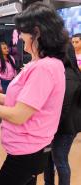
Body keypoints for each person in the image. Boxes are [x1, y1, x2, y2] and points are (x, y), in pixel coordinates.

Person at [0, 2, 69, 185]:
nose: (20, 37)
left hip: (26, 152)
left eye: (22, 32)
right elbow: (20, 102)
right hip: (28, 149)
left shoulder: (44, 68)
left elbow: (18, 115)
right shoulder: (43, 64)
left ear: (36, 33)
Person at [44, 43, 81, 185]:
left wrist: (49, 126)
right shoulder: (69, 72)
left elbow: (63, 107)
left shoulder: (68, 75)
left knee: (60, 160)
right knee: (49, 158)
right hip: (59, 125)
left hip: (63, 127)